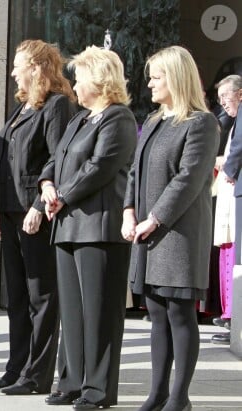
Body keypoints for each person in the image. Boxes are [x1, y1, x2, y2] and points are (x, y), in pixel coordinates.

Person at [122, 45, 219, 411]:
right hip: (147, 232)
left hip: (177, 233)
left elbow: (188, 179)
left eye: (156, 77)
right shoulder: (154, 120)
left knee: (180, 313)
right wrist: (129, 211)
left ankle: (179, 397)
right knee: (156, 313)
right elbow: (135, 171)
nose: (149, 83)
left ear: (175, 78)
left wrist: (154, 218)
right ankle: (157, 392)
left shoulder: (201, 123)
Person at [41, 46, 137, 409]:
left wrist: (62, 195)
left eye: (79, 78)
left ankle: (97, 390)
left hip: (99, 227)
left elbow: (100, 167)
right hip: (66, 226)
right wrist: (47, 186)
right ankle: (70, 381)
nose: (74, 85)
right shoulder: (79, 119)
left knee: (99, 312)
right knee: (73, 311)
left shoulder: (119, 118)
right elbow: (55, 159)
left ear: (98, 80)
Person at [0, 40, 76, 395]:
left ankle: (37, 374)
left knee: (42, 295)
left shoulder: (56, 106)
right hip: (9, 210)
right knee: (18, 297)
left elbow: (57, 159)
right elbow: (8, 161)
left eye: (17, 65)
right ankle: (16, 368)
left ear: (37, 67)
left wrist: (39, 205)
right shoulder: (22, 107)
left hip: (33, 212)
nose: (11, 72)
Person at [215, 74, 242, 345]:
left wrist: (230, 169)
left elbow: (239, 145)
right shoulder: (230, 119)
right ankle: (230, 316)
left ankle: (234, 317)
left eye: (227, 96)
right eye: (220, 98)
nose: (223, 103)